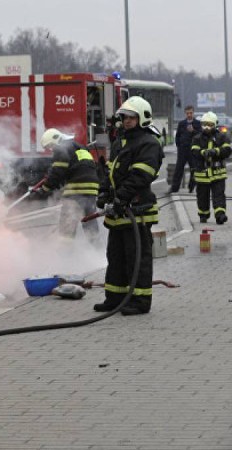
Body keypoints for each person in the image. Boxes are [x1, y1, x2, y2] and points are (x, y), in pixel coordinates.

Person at [94, 96, 163, 316]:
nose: (127, 121)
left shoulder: (148, 143)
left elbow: (141, 176)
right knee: (115, 257)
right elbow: (110, 172)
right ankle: (115, 298)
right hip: (118, 211)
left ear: (142, 118)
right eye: (124, 117)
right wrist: (104, 192)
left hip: (137, 210)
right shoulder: (120, 142)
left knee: (137, 258)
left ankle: (140, 301)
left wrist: (121, 198)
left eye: (131, 117)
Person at [32, 128, 100, 244]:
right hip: (92, 191)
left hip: (76, 191)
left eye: (51, 145)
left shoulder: (61, 148)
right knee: (90, 224)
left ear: (57, 140)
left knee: (66, 228)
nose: (51, 149)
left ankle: (65, 256)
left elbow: (58, 172)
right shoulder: (80, 147)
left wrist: (44, 189)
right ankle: (98, 251)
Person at [190, 111, 231, 224]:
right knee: (202, 197)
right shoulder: (197, 138)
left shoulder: (222, 137)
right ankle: (203, 215)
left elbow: (227, 150)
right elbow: (194, 151)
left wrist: (216, 151)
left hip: (218, 173)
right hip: (202, 174)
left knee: (219, 195)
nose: (206, 127)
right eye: (204, 124)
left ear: (215, 125)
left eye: (209, 124)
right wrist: (203, 152)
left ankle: (220, 215)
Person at [170, 105, 201, 193]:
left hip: (193, 150)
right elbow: (178, 135)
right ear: (185, 113)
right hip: (182, 150)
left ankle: (191, 187)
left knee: (194, 169)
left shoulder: (197, 123)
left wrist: (193, 131)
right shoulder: (182, 123)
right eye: (187, 113)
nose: (189, 115)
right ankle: (174, 189)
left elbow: (200, 135)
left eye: (191, 113)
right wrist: (178, 145)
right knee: (178, 169)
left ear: (193, 113)